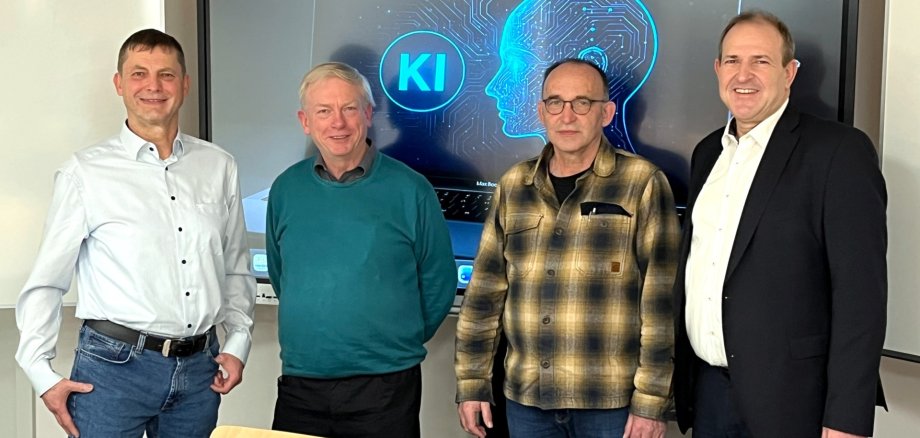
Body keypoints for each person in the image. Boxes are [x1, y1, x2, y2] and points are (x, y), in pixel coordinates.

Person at [15, 29, 256, 438]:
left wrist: (237, 343)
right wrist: (41, 372)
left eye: (166, 74)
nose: (153, 86)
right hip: (112, 372)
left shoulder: (219, 166)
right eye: (139, 74)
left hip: (201, 370)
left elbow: (235, 267)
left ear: (184, 84)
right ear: (119, 84)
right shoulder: (85, 173)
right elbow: (47, 282)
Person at [672, 10, 887, 438]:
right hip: (710, 394)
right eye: (732, 60)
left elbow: (860, 297)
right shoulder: (705, 155)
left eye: (761, 61)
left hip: (795, 402)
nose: (743, 74)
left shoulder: (838, 152)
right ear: (718, 69)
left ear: (790, 72)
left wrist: (846, 419)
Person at [455, 58, 680, 438]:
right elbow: (484, 295)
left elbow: (661, 305)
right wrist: (472, 380)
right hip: (527, 400)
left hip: (612, 406)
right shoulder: (514, 185)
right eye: (556, 103)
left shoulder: (642, 183)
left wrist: (651, 402)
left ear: (606, 112)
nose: (567, 116)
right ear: (542, 112)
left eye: (582, 103)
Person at [265, 61, 457, 438]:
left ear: (368, 114)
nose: (337, 122)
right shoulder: (286, 189)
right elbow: (280, 272)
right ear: (305, 121)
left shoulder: (411, 189)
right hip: (301, 383)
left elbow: (438, 282)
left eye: (349, 108)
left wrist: (395, 339)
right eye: (324, 111)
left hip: (385, 387)